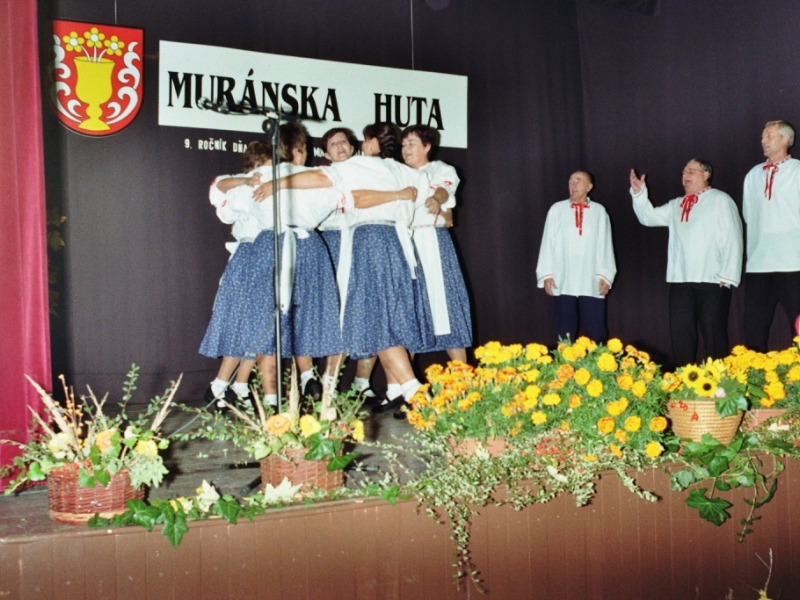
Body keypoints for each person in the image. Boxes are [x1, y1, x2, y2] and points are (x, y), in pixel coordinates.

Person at [253, 131, 433, 415]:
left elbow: (334, 186)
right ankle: (402, 389)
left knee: (377, 318)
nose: (357, 145)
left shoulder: (356, 166)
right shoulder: (404, 170)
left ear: (371, 143)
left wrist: (276, 183)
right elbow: (429, 206)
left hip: (371, 240)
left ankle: (411, 390)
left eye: (360, 140)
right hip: (395, 243)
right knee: (381, 318)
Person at [630, 159, 743, 368]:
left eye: (691, 171)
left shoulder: (720, 199)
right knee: (681, 335)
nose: (685, 175)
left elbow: (733, 236)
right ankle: (684, 383)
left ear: (706, 174)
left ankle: (720, 387)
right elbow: (649, 217)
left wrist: (728, 275)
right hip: (681, 280)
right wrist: (639, 194)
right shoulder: (676, 204)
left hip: (712, 280)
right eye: (683, 172)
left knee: (714, 335)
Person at [199, 141, 273, 408]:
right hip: (248, 256)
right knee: (240, 323)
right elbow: (217, 186)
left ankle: (239, 385)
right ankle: (218, 386)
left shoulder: (277, 185)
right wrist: (246, 180)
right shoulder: (240, 187)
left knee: (262, 326)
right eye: (263, 164)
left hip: (270, 255)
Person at [317, 127, 379, 401]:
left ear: (353, 147)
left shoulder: (369, 170)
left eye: (344, 142)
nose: (340, 146)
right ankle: (328, 385)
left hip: (365, 242)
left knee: (371, 312)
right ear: (325, 152)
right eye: (333, 143)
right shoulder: (322, 177)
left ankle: (361, 383)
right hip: (333, 242)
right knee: (339, 316)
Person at [401, 124, 472, 362]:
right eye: (403, 144)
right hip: (406, 244)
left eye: (411, 143)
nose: (406, 148)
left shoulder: (440, 169)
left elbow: (444, 190)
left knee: (447, 305)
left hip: (434, 241)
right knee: (412, 310)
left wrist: (436, 200)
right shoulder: (398, 173)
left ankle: (464, 382)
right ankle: (405, 389)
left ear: (427, 146)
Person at [536, 170, 615, 343]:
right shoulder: (557, 209)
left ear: (589, 187)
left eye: (578, 181)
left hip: (591, 277)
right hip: (562, 278)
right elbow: (547, 242)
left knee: (596, 331)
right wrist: (546, 274)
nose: (573, 185)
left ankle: (599, 368)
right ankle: (564, 367)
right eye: (571, 181)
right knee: (564, 333)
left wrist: (606, 276)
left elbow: (606, 243)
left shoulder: (599, 211)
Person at [742, 120, 800, 352]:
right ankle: (753, 381)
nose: (763, 140)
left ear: (786, 139)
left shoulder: (797, 170)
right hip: (758, 264)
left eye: (769, 135)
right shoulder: (753, 175)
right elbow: (748, 214)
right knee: (753, 330)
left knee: (798, 328)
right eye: (763, 136)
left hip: (793, 262)